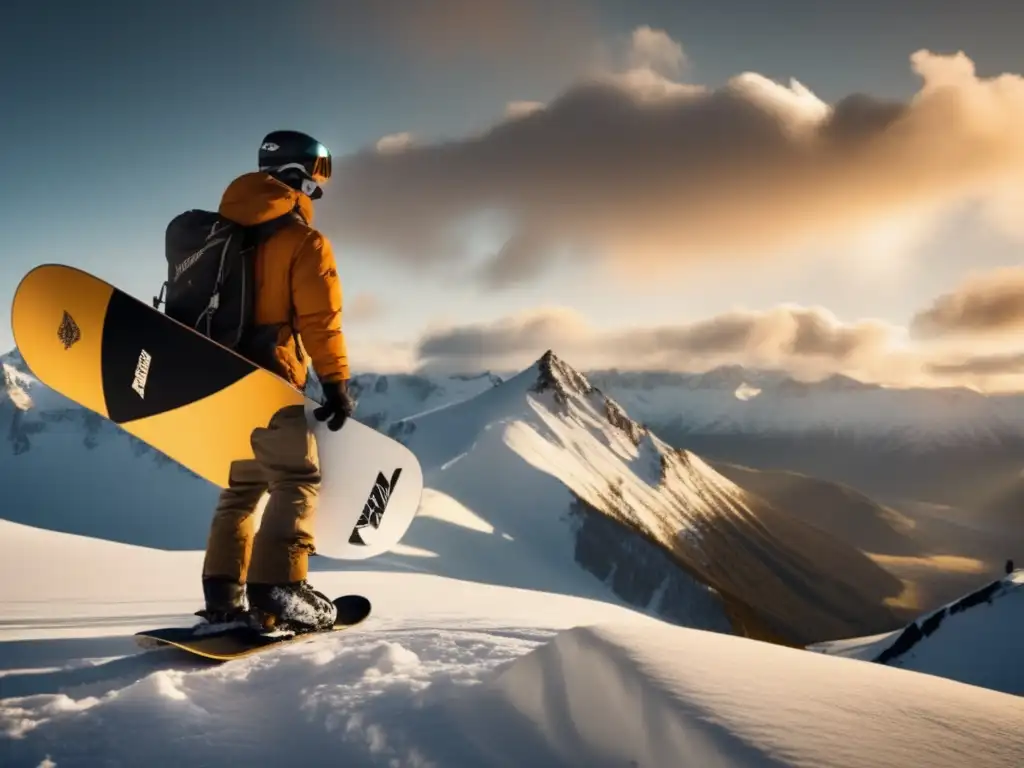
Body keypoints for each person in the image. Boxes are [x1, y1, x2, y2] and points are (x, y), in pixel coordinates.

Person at [183, 130, 355, 632]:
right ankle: (279, 585)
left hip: (216, 378)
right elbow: (320, 320)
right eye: (314, 182)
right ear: (296, 177)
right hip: (269, 378)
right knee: (297, 479)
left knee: (240, 491)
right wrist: (336, 382)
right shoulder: (304, 241)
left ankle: (222, 597)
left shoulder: (218, 231)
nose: (316, 193)